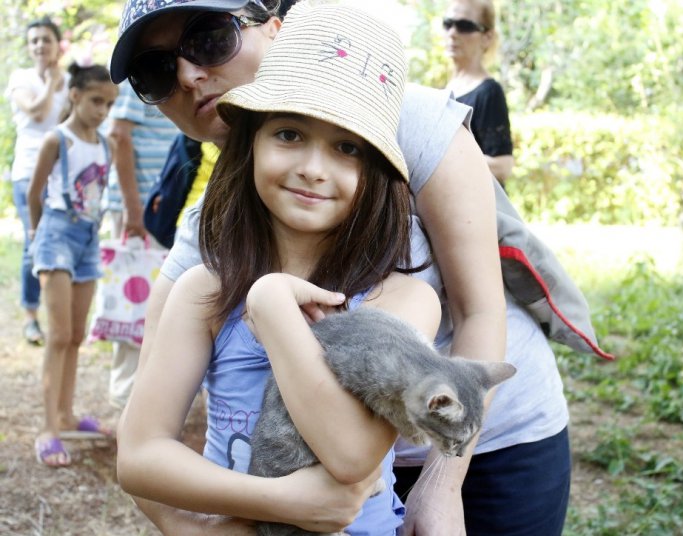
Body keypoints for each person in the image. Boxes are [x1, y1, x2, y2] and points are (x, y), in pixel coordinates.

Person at [111, 1, 571, 535]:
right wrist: (230, 521)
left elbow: (477, 311)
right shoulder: (205, 264)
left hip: (488, 433)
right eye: (155, 69)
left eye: (209, 38)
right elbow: (141, 444)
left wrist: (270, 304)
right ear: (251, 141)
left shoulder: (413, 132)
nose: (189, 74)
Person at [117, 4, 440, 534]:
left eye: (346, 147)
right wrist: (281, 501)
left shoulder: (401, 300)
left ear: (378, 173)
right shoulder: (205, 292)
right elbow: (139, 455)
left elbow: (352, 453)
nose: (313, 168)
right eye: (289, 134)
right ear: (251, 145)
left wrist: (270, 306)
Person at [27, 63, 118, 467]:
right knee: (59, 334)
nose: (102, 111)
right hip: (56, 235)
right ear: (76, 96)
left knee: (77, 334)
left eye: (109, 104)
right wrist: (37, 238)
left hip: (87, 238)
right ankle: (48, 428)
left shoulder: (106, 146)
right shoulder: (56, 140)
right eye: (97, 101)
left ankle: (66, 414)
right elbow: (34, 193)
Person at [105, 79, 178, 410]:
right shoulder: (140, 77)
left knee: (161, 301)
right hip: (137, 207)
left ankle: (149, 397)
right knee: (134, 300)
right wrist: (134, 209)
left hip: (163, 206)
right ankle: (126, 398)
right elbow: (119, 135)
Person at [5, 16, 69, 345]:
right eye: (34, 41)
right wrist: (51, 82)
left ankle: (55, 313)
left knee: (58, 242)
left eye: (46, 39)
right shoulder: (21, 78)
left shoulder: (70, 80)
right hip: (28, 172)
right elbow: (35, 112)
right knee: (34, 243)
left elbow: (68, 123)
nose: (40, 45)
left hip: (61, 175)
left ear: (58, 44)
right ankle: (31, 315)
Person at [443, 0, 514, 187]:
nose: (452, 33)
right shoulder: (446, 89)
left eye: (465, 26)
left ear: (487, 37)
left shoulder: (489, 92)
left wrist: (441, 161)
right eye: (448, 24)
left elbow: (502, 166)